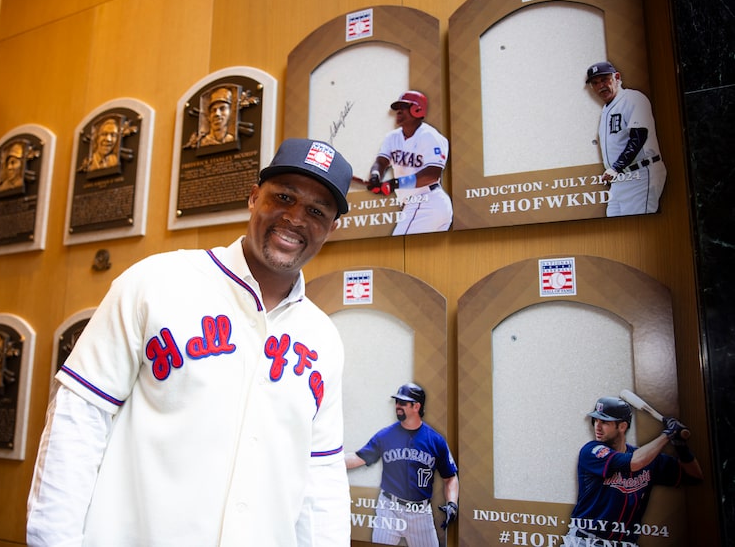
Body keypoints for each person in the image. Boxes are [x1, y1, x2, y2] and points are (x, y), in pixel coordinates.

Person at [27, 138, 353, 546]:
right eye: (283, 197)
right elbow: (77, 422)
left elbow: (321, 480)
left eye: (316, 211)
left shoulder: (324, 338)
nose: (294, 218)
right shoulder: (156, 281)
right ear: (254, 198)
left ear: (331, 228)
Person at [566, 396, 703, 544]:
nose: (597, 426)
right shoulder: (591, 451)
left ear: (622, 426)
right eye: (596, 420)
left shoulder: (648, 459)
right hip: (585, 540)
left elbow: (694, 476)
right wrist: (667, 435)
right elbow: (634, 462)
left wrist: (681, 447)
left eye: (604, 422)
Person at [345, 383, 459, 547]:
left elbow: (450, 478)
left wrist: (452, 504)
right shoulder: (386, 435)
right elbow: (358, 458)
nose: (397, 406)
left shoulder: (435, 441)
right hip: (389, 508)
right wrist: (326, 460)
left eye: (403, 403)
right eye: (397, 402)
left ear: (416, 406)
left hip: (420, 513)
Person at [586, 61, 667, 217]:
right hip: (620, 181)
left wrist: (616, 167)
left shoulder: (633, 98)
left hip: (640, 175)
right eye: (595, 83)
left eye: (604, 79)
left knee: (638, 229)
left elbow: (638, 137)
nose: (600, 86)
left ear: (617, 77)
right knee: (617, 231)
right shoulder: (606, 109)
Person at [365, 91, 452, 235]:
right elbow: (381, 162)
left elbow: (432, 174)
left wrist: (394, 184)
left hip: (426, 201)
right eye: (397, 108)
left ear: (417, 109)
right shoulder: (392, 137)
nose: (398, 112)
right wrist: (375, 176)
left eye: (403, 107)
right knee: (419, 257)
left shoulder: (430, 136)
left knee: (398, 251)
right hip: (417, 205)